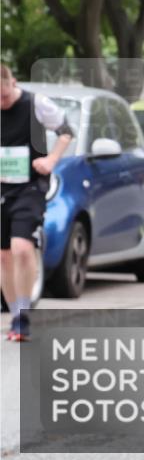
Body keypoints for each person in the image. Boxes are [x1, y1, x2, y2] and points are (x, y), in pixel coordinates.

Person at [1, 64, 75, 342]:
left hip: (29, 186)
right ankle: (16, 316)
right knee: (3, 255)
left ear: (13, 83)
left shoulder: (36, 104)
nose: (1, 102)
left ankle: (24, 315)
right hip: (1, 185)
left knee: (21, 248)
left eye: (5, 97)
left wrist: (51, 160)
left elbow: (66, 130)